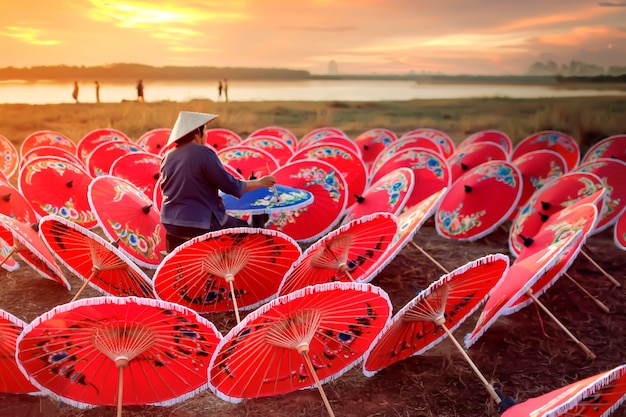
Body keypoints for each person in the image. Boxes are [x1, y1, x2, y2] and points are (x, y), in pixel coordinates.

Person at [160, 111, 276, 252]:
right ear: (197, 134)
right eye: (206, 131)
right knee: (244, 229)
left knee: (233, 222)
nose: (207, 135)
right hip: (199, 222)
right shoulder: (204, 153)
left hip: (169, 221)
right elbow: (231, 186)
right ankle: (229, 264)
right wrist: (261, 183)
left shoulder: (167, 156)